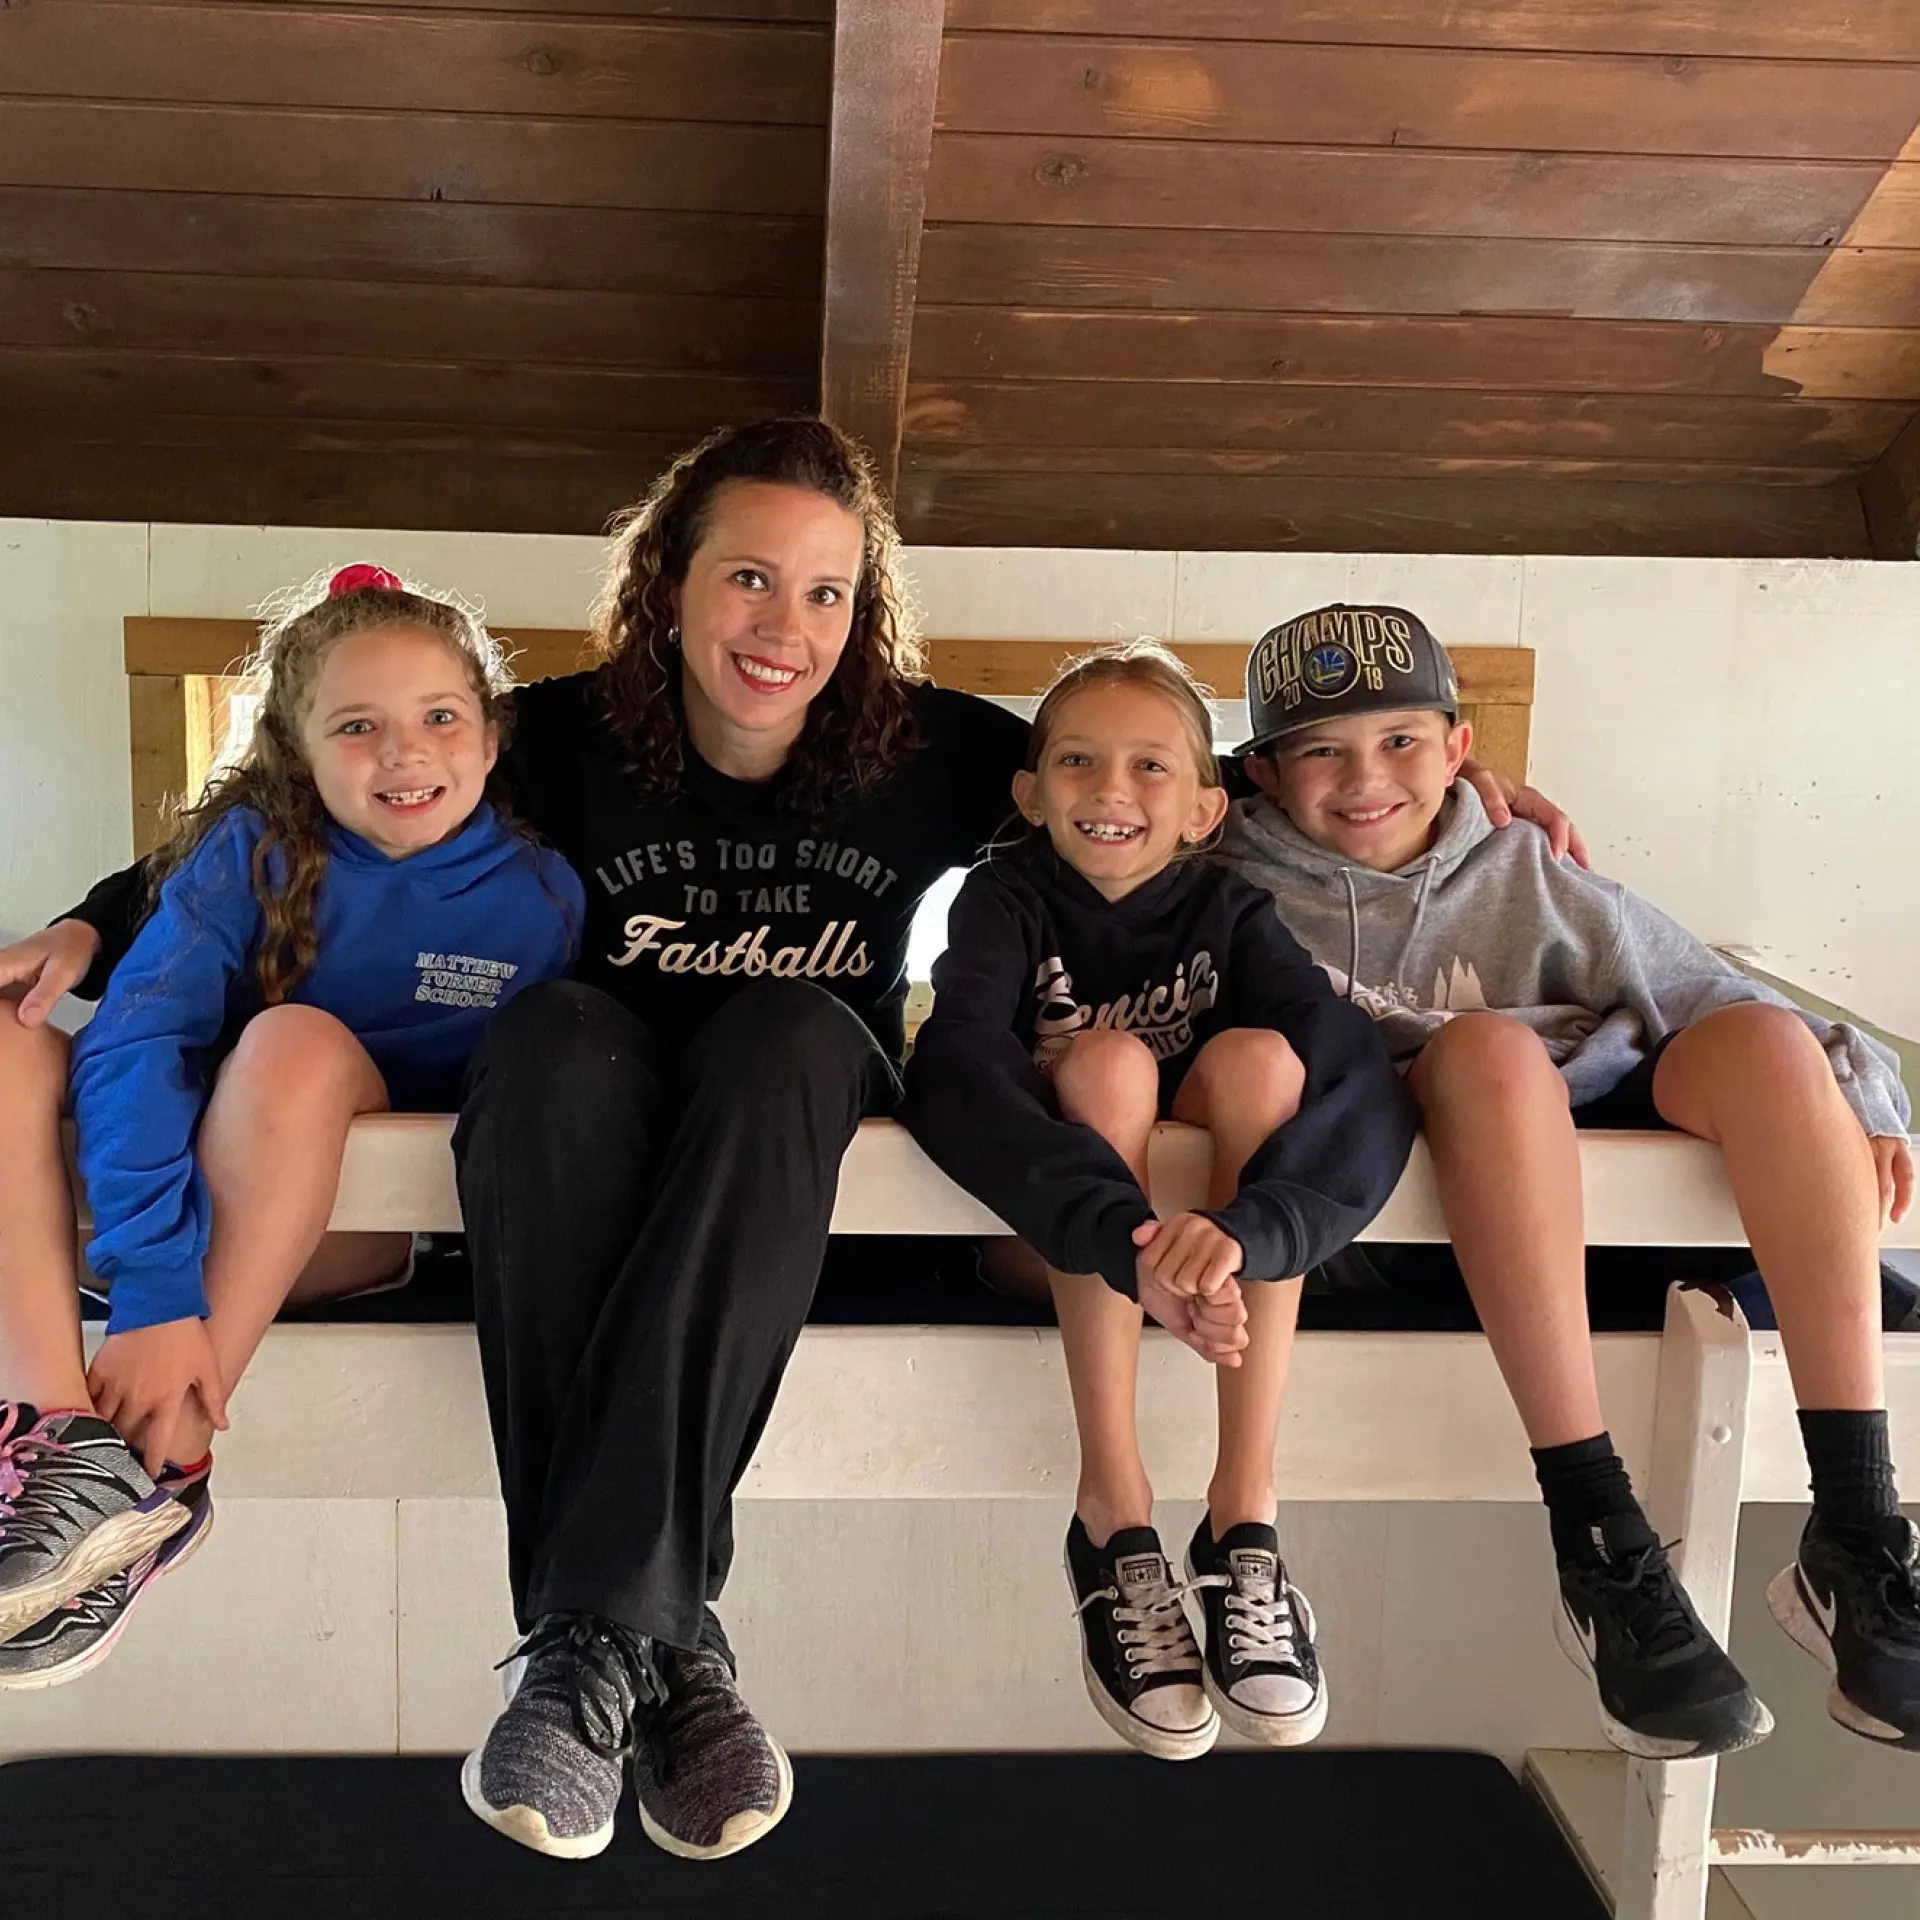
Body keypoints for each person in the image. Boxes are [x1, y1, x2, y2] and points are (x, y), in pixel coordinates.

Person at [5, 418, 1576, 1855]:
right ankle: (667, 1650)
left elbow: (1153, 777)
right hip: (585, 1093)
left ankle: (579, 1653)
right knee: (546, 1039)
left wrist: (1441, 797)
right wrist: (89, 923)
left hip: (795, 1089)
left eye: (825, 593)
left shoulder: (938, 748)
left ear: (862, 614)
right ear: (669, 587)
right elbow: (318, 800)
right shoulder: (549, 737)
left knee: (773, 1038)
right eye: (748, 578)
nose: (783, 627)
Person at [1222, 600, 1919, 1758]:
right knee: (1488, 1050)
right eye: (1321, 751)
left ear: (1459, 750)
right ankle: (1600, 1536)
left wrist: (1869, 1097)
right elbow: (1079, 820)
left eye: (1401, 741)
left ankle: (1859, 1526)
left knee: (1766, 1045)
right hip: (1406, 1218)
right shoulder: (1219, 883)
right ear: (1260, 774)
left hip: (1594, 1198)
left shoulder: (1527, 872)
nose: (1365, 779)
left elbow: (1724, 996)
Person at [0, 563, 582, 1689]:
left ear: (493, 737)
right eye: (357, 726)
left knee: (294, 1042)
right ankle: (58, 1432)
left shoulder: (547, 897)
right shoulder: (250, 858)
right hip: (145, 1241)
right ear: (298, 752)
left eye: (439, 717)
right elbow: (131, 1043)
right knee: (11, 1029)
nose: (405, 753)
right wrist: (155, 1283)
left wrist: (172, 1303)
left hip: (340, 1229)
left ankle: (165, 1456)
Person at [903, 644, 1413, 1758]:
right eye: (1078, 762)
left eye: (1150, 767)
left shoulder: (1234, 909)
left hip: (1200, 1265)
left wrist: (1246, 1233)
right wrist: (1123, 1239)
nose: (1112, 790)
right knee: (1107, 1068)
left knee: (1265, 1065)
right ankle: (1115, 1514)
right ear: (1030, 795)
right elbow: (953, 1072)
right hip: (1051, 1241)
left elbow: (1355, 1080)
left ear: (1203, 807)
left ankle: (1244, 1520)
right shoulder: (1001, 902)